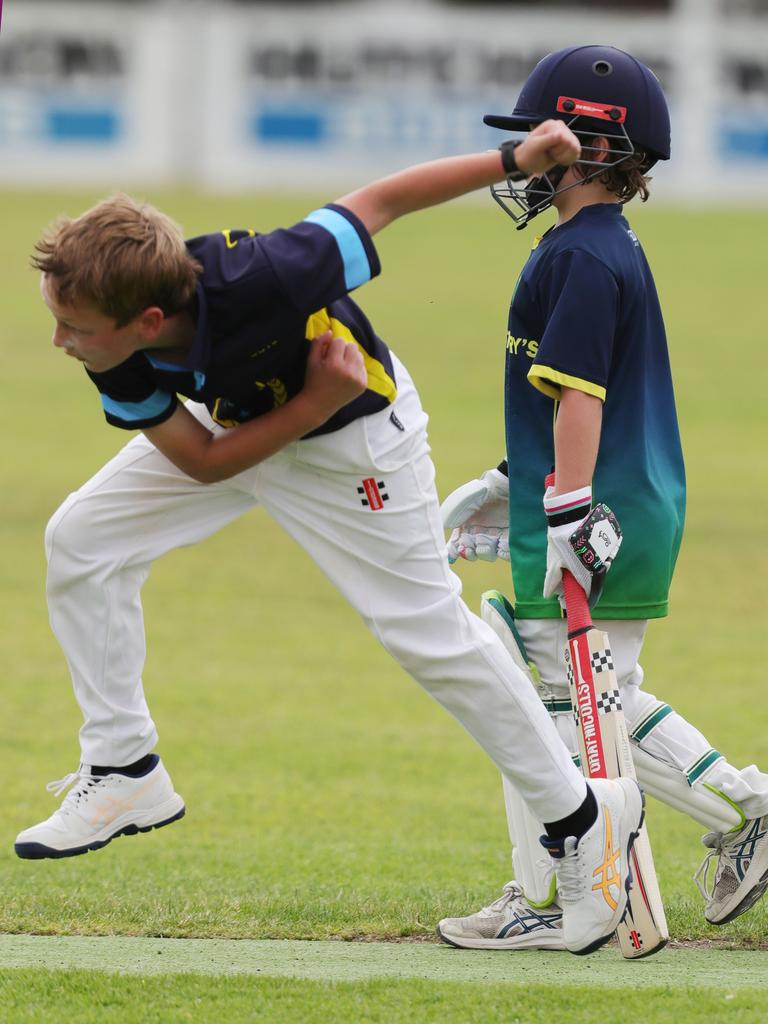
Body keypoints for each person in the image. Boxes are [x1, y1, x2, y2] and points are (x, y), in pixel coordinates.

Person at [19, 124, 644, 956]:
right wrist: (301, 407)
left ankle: (582, 817)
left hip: (357, 444)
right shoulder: (114, 352)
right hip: (257, 421)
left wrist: (512, 162)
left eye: (75, 326)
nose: (59, 340)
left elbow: (384, 200)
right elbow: (202, 463)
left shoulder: (265, 272)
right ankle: (126, 771)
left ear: (150, 317)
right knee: (82, 539)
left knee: (429, 639)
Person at [436, 45, 768, 951]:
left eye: (543, 138)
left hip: (601, 508)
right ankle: (571, 877)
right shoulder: (594, 245)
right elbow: (572, 394)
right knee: (556, 680)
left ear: (584, 147)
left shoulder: (585, 256)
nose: (528, 157)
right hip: (610, 497)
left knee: (569, 688)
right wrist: (518, 480)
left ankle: (732, 814)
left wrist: (570, 506)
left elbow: (580, 391)